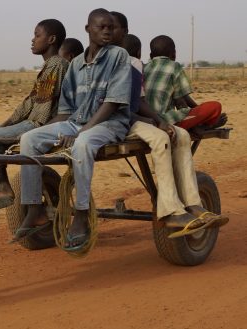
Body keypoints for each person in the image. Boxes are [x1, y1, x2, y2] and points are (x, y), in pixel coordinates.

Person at [14, 8, 132, 250]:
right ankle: (35, 209)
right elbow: (66, 110)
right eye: (101, 27)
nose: (107, 31)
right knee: (28, 140)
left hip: (109, 123)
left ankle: (81, 214)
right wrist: (46, 131)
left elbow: (112, 103)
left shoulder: (118, 56)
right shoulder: (76, 64)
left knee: (83, 143)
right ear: (88, 29)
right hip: (76, 121)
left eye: (110, 27)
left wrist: (80, 131)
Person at [110, 12, 227, 237]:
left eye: (112, 28)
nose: (107, 32)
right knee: (166, 136)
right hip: (123, 121)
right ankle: (171, 210)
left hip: (140, 117)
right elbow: (126, 106)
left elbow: (140, 100)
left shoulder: (138, 65)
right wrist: (157, 120)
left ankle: (192, 203)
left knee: (180, 135)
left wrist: (157, 120)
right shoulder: (128, 63)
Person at [0, 19, 69, 209]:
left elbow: (41, 109)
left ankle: (2, 187)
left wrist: (12, 127)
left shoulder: (56, 65)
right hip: (33, 121)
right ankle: (1, 186)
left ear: (51, 39)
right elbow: (29, 102)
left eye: (37, 35)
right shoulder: (48, 66)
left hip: (39, 125)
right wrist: (6, 124)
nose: (33, 40)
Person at [145, 35, 227, 131]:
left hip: (145, 121)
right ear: (174, 54)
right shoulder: (174, 66)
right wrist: (199, 116)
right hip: (165, 122)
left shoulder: (144, 67)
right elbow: (180, 103)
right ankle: (204, 126)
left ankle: (201, 122)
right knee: (215, 106)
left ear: (151, 56)